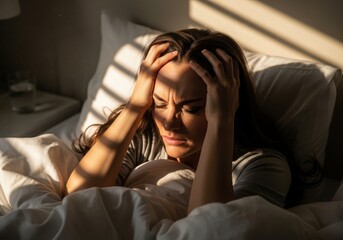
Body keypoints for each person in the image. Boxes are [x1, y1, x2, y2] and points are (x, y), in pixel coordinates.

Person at [66, 28, 317, 213]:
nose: (169, 123)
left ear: (229, 103)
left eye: (191, 108)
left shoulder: (262, 165)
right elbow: (79, 195)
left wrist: (221, 120)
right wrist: (135, 106)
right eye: (160, 103)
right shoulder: (145, 137)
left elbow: (209, 226)